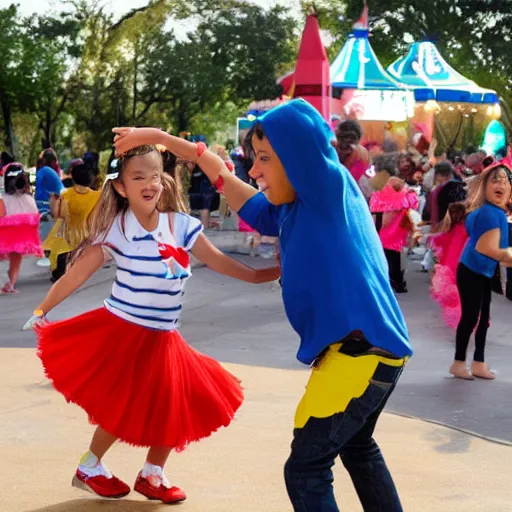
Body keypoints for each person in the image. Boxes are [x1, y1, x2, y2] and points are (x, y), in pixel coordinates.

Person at [113, 99, 412, 512]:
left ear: (299, 157)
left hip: (358, 357)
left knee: (306, 470)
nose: (254, 170)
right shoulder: (292, 210)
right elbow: (235, 188)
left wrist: (160, 139)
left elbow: (302, 139)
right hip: (374, 354)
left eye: (266, 159)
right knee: (357, 448)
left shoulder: (328, 188)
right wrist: (171, 143)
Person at [23, 144, 279, 503]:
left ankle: (152, 474)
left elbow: (223, 263)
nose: (148, 183)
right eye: (138, 176)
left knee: (177, 401)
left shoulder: (181, 225)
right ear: (121, 187)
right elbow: (76, 274)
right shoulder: (117, 230)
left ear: (164, 181)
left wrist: (271, 272)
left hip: (163, 336)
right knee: (125, 403)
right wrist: (42, 309)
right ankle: (91, 466)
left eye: (154, 176)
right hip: (124, 330)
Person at [449, 164, 512, 380]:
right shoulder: (490, 214)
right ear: (484, 186)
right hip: (472, 271)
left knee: (483, 319)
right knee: (470, 318)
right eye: (495, 180)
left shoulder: (493, 212)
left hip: (480, 272)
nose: (501, 184)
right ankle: (459, 363)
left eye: (505, 181)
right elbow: (487, 248)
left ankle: (478, 362)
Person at [42, 163, 101, 282]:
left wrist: (53, 200)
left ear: (73, 178)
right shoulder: (97, 195)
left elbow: (58, 214)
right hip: (85, 229)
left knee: (58, 251)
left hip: (65, 229)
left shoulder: (66, 194)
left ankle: (59, 272)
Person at [370, 178, 419, 293]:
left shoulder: (383, 199)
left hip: (384, 233)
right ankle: (398, 282)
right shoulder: (404, 199)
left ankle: (389, 281)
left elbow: (382, 220)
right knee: (396, 258)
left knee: (385, 257)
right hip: (398, 233)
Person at [0, 163, 42, 293]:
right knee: (16, 259)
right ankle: (11, 283)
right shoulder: (28, 199)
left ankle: (8, 282)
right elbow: (35, 217)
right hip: (22, 235)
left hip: (5, 233)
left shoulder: (4, 199)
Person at [430, 202, 469, 328]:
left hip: (450, 265)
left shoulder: (452, 229)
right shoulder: (466, 229)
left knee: (453, 295)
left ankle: (461, 319)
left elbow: (440, 240)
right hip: (464, 264)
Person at [35, 149, 64, 213]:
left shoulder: (43, 171)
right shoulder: (50, 171)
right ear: (53, 162)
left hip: (49, 207)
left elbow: (38, 193)